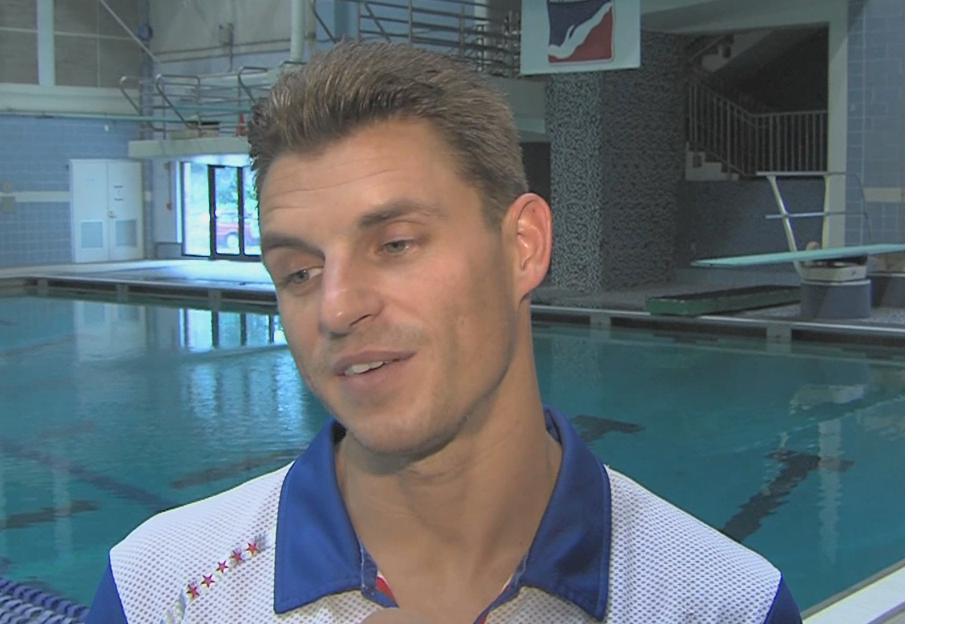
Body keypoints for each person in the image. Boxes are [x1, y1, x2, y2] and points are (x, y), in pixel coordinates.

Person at [86, 42, 802, 623]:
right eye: (300, 271)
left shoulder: (721, 602)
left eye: (395, 244)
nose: (337, 309)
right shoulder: (163, 591)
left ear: (522, 246)